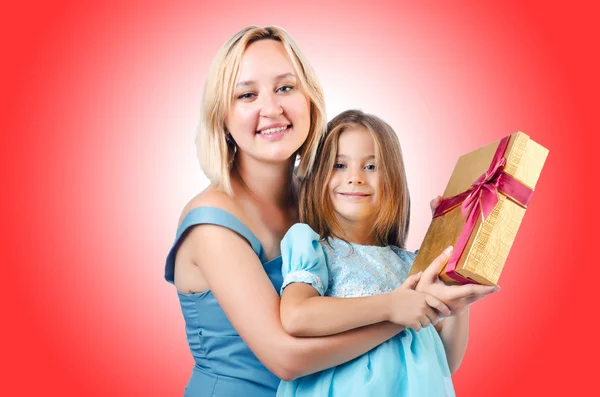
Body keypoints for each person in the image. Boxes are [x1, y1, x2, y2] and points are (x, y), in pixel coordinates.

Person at [164, 26, 496, 397]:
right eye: (247, 94)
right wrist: (401, 313)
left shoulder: (323, 199)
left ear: (309, 99)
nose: (272, 108)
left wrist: (448, 259)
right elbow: (286, 359)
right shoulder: (212, 224)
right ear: (221, 116)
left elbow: (383, 284)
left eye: (285, 88)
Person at [277, 110, 498, 397]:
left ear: (393, 179)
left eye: (371, 167)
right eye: (339, 165)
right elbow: (297, 317)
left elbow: (447, 360)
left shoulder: (412, 265)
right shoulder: (314, 247)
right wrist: (392, 306)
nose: (355, 178)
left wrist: (458, 286)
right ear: (318, 175)